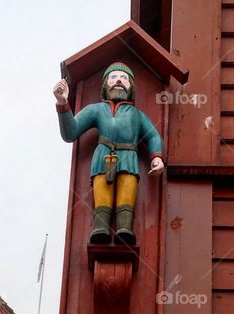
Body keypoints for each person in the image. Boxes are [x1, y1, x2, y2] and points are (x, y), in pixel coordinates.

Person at [54, 62, 164, 245]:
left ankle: (125, 229)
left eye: (124, 78)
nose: (119, 80)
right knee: (102, 193)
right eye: (113, 77)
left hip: (129, 157)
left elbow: (153, 136)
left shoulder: (136, 115)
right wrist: (62, 102)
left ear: (131, 87)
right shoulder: (96, 110)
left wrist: (157, 157)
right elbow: (70, 132)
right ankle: (101, 228)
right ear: (105, 85)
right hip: (103, 158)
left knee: (126, 194)